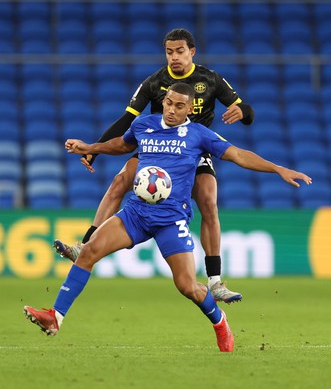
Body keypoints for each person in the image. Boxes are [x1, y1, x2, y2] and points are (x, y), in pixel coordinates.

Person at [24, 83, 311, 352]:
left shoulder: (200, 135)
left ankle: (219, 320)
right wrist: (90, 147)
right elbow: (121, 146)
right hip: (135, 213)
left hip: (171, 221)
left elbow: (238, 155)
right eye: (168, 103)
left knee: (187, 287)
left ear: (190, 109)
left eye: (179, 106)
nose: (172, 110)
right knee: (87, 252)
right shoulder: (144, 125)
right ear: (163, 102)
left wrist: (277, 169)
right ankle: (55, 317)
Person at [54, 28, 255, 303]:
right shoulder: (154, 82)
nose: (174, 57)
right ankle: (84, 245)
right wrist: (94, 150)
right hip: (156, 149)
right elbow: (127, 119)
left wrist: (243, 111)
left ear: (192, 52)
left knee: (208, 200)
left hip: (194, 150)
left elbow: (248, 112)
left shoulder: (211, 79)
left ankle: (215, 281)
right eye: (169, 51)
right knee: (120, 180)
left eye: (180, 51)